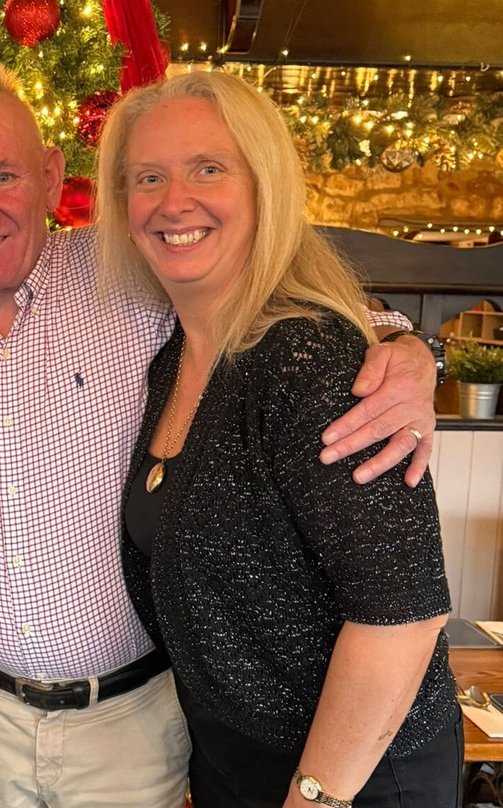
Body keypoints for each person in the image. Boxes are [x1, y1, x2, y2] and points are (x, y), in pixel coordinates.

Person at [0, 60, 442, 808]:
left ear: (51, 178)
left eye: (2, 176)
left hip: (139, 723)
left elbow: (283, 293)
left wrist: (409, 351)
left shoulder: (125, 267)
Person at [98, 70, 460, 808]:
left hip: (357, 773)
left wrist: (314, 796)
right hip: (234, 757)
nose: (174, 201)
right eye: (148, 177)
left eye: (208, 168)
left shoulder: (308, 361)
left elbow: (402, 614)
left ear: (265, 187)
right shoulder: (173, 361)